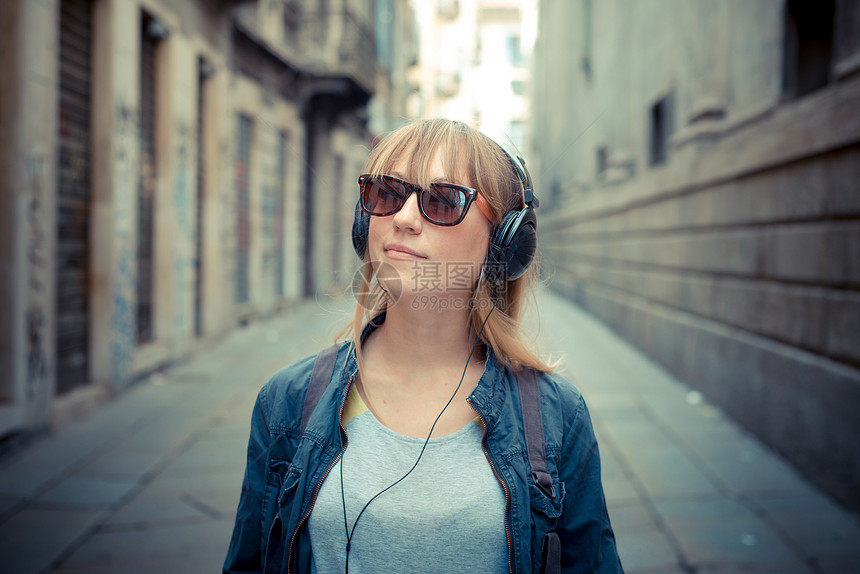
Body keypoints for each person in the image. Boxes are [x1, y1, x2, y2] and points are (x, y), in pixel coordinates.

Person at [223, 119, 623, 574]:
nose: (404, 218)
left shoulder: (557, 417)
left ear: (504, 244)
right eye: (386, 193)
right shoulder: (286, 401)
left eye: (442, 200)